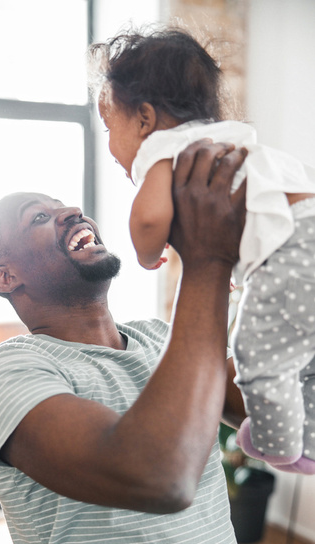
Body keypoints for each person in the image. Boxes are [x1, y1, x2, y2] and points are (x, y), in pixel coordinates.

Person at [0, 141, 277, 544]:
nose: (69, 212)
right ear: (7, 277)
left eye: (64, 205)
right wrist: (206, 262)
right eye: (38, 216)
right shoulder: (6, 375)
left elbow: (280, 411)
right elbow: (157, 474)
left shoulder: (161, 342)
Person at [89, 26, 315, 475]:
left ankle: (283, 443)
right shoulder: (229, 140)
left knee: (258, 354)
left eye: (107, 126)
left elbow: (149, 220)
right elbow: (251, 214)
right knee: (300, 354)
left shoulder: (165, 150)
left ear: (145, 119)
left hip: (295, 255)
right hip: (301, 234)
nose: (110, 145)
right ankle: (306, 430)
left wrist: (146, 253)